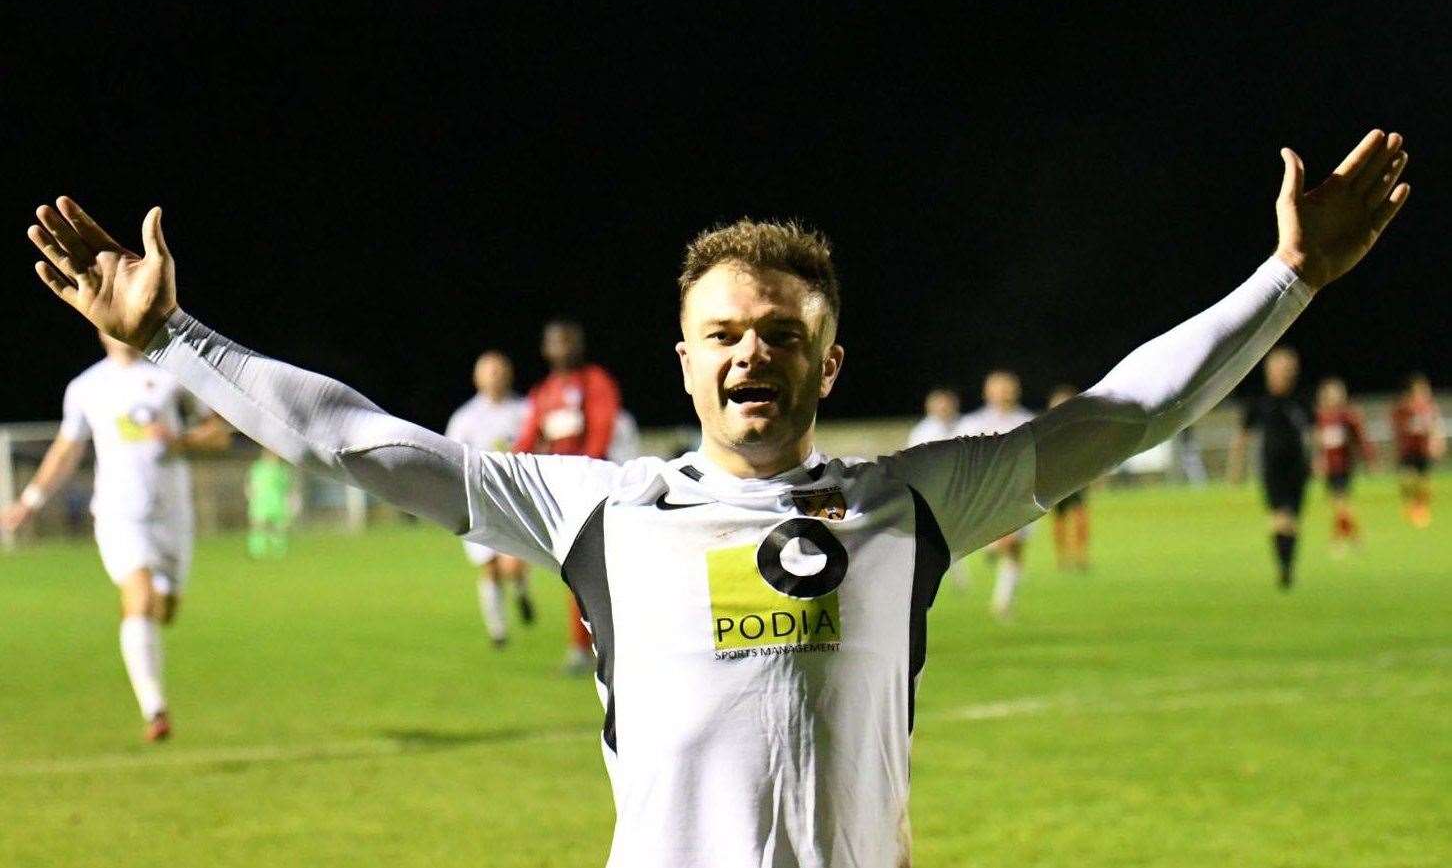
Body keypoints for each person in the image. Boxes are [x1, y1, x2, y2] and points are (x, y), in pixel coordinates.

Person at [23, 128, 1408, 867]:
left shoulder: (911, 502)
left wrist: (1289, 282)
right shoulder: (598, 512)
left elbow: (1126, 412)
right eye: (728, 332)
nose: (755, 350)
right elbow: (352, 441)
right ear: (684, 359)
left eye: (786, 331)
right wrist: (170, 343)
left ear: (828, 358)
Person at [1, 333, 230, 741]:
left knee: (165, 607)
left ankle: (153, 650)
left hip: (173, 515)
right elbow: (66, 450)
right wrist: (30, 500)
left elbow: (219, 433)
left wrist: (180, 440)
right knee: (138, 597)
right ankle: (155, 710)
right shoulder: (86, 387)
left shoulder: (171, 378)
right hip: (118, 514)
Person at [515, 319, 621, 673]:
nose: (565, 347)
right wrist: (509, 472)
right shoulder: (543, 393)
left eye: (570, 340)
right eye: (557, 341)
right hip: (561, 494)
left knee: (593, 574)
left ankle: (595, 649)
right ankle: (584, 648)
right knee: (579, 575)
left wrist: (582, 477)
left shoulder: (595, 382)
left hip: (594, 491)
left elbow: (600, 436)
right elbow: (528, 440)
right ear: (546, 349)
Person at [445, 350, 534, 645]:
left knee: (513, 564)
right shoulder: (465, 418)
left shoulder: (525, 409)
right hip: (479, 500)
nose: (495, 376)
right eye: (488, 371)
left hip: (518, 499)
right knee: (490, 568)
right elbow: (450, 457)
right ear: (477, 377)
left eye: (499, 370)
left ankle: (520, 590)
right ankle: (498, 631)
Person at [1228, 347, 1312, 589]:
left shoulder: (1300, 399)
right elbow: (1242, 436)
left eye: (1288, 369)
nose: (1283, 373)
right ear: (1268, 371)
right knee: (1280, 519)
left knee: (1293, 521)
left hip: (1298, 469)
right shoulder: (1260, 401)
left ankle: (1288, 565)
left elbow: (1313, 431)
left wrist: (1318, 459)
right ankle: (1284, 569)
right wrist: (1236, 469)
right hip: (1272, 469)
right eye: (1278, 368)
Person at [956, 370, 1036, 618]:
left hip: (1019, 493)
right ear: (987, 392)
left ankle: (1003, 602)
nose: (1003, 393)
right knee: (1008, 541)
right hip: (984, 494)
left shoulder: (1028, 421)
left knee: (1016, 551)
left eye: (1008, 388)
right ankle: (989, 544)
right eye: (998, 388)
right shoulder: (972, 423)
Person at [1312, 377, 1375, 554]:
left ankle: (1340, 540)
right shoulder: (1320, 416)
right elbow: (1319, 443)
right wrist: (1318, 460)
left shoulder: (1347, 416)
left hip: (1344, 466)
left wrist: (1368, 459)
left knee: (1341, 504)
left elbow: (1361, 439)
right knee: (1337, 505)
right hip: (1329, 467)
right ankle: (1354, 538)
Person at [1390, 373, 1446, 527]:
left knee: (1423, 482)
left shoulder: (1430, 407)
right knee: (1406, 480)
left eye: (1425, 390)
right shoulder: (1404, 407)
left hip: (1423, 450)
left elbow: (1436, 426)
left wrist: (1438, 442)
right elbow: (1396, 424)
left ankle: (1421, 509)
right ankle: (1411, 504)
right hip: (1408, 450)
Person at [1047, 384, 1091, 571]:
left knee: (1081, 517)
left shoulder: (1081, 427)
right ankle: (1062, 558)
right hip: (1057, 479)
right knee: (1060, 519)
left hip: (1078, 478)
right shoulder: (1047, 429)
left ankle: (1081, 556)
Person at [246, 449, 298, 558]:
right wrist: (250, 495)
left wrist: (291, 500)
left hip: (277, 500)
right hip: (260, 500)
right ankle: (257, 551)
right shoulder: (258, 468)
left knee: (278, 526)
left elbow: (288, 487)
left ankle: (279, 551)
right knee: (258, 524)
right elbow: (250, 483)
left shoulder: (281, 469)